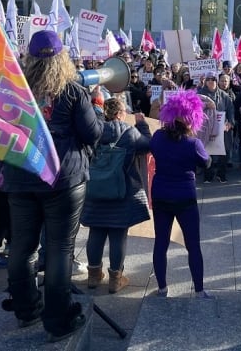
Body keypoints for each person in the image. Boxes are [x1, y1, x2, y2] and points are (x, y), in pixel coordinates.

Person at [4, 30, 103, 342]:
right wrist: (97, 108)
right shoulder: (73, 90)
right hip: (63, 179)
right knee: (60, 248)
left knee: (21, 245)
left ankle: (26, 308)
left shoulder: (12, 90)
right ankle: (58, 320)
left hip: (21, 176)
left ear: (29, 59)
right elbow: (91, 134)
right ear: (62, 58)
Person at [81, 97, 151, 293]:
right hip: (122, 193)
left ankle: (93, 276)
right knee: (118, 235)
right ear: (121, 114)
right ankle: (115, 279)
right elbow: (148, 145)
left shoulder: (94, 131)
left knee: (96, 232)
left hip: (95, 191)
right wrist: (142, 124)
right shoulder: (130, 132)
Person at [149, 89, 213, 298]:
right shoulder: (192, 143)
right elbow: (206, 162)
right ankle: (199, 290)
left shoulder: (158, 136)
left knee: (161, 242)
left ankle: (161, 288)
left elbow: (152, 147)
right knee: (193, 245)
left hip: (160, 194)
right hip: (185, 197)